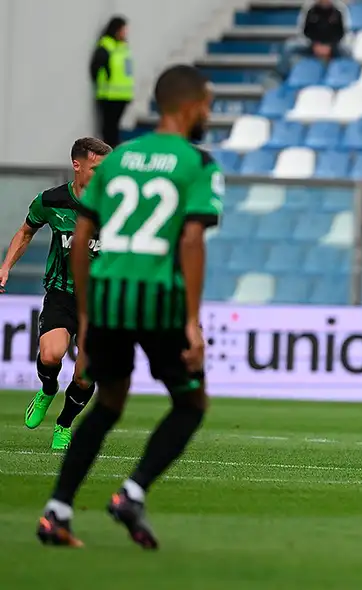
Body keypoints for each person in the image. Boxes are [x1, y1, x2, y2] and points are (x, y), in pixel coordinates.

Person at [36, 64, 223, 549]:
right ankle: (132, 492)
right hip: (158, 301)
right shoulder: (197, 163)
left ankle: (57, 511)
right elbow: (191, 241)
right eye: (206, 102)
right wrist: (191, 323)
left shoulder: (118, 160)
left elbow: (80, 240)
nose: (209, 111)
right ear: (187, 106)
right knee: (190, 403)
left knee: (109, 403)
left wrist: (85, 312)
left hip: (108, 301)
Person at [2, 138, 111, 451]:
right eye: (96, 168)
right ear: (77, 165)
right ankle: (47, 389)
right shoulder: (51, 201)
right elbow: (26, 231)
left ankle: (64, 424)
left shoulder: (117, 204)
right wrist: (5, 266)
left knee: (85, 375)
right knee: (51, 354)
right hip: (62, 293)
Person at [90, 16, 133, 147]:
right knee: (109, 129)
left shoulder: (123, 46)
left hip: (122, 95)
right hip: (108, 95)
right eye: (123, 29)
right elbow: (95, 67)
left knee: (114, 128)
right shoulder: (106, 45)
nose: (125, 32)